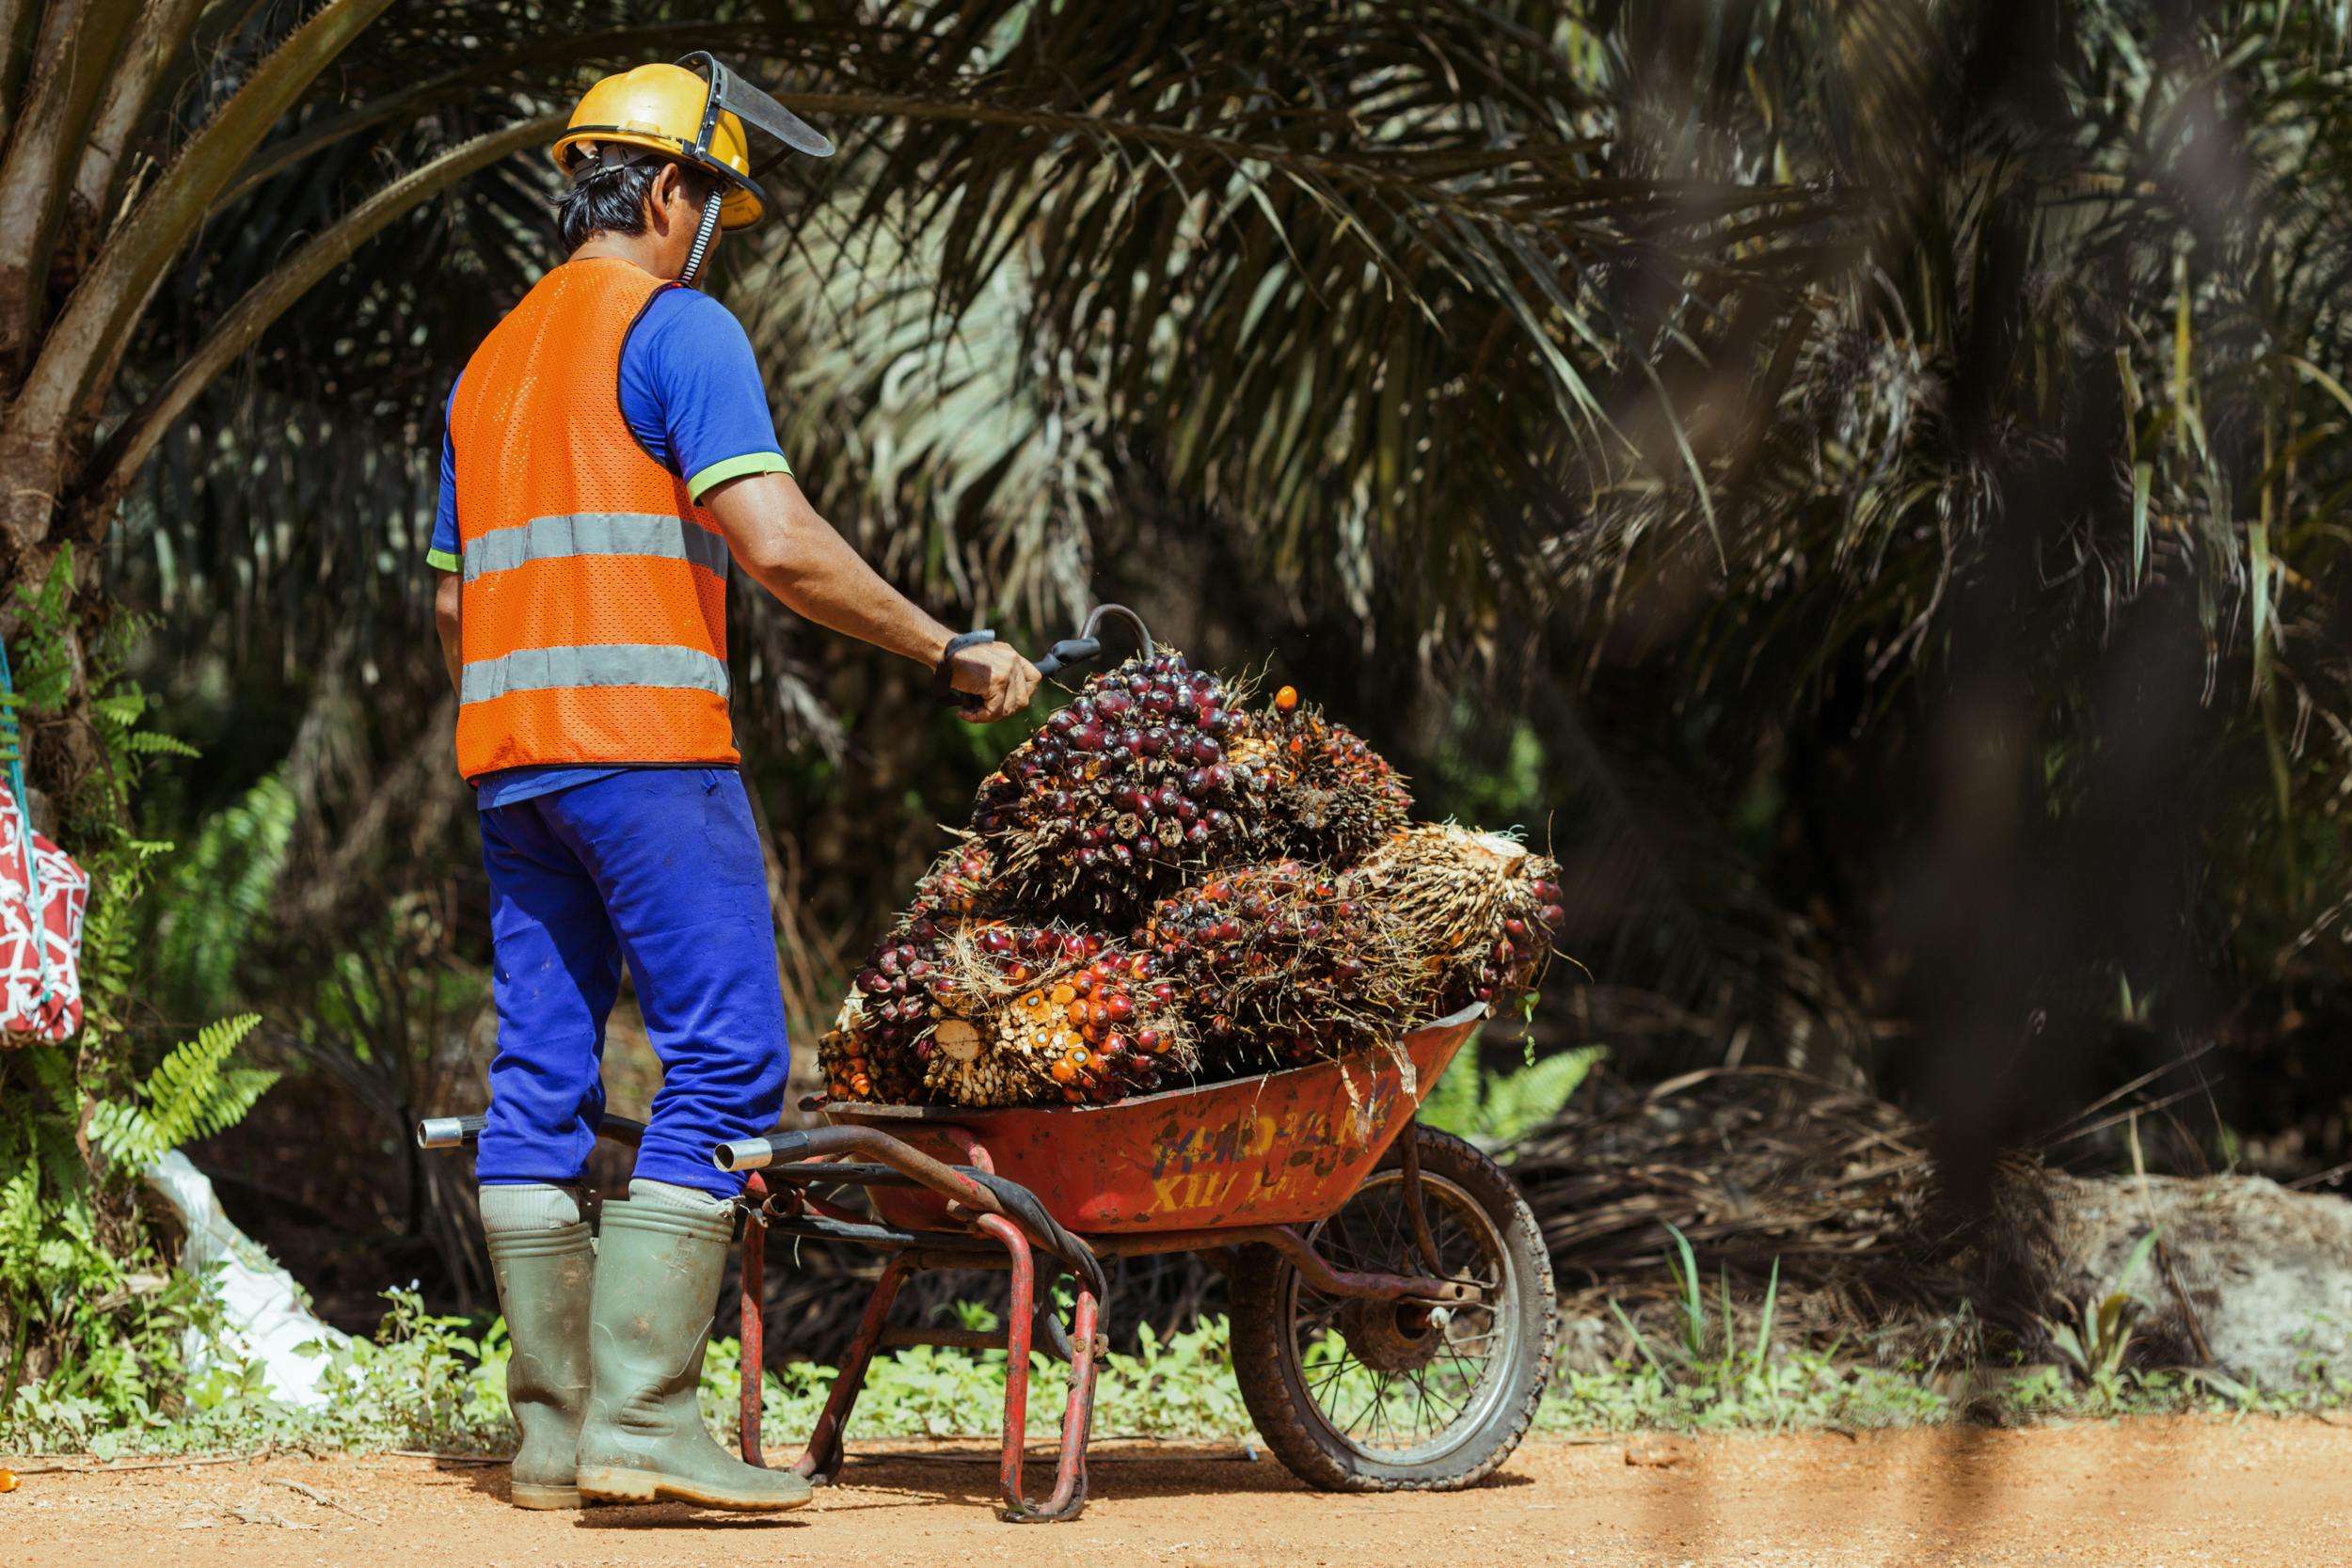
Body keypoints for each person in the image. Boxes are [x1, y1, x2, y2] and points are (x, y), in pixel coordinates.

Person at [427, 57, 1039, 1513]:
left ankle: (554, 1438)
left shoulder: (489, 364)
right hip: (648, 755)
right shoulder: (676, 326)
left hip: (514, 773)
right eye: (713, 201)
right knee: (726, 1061)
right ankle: (647, 1420)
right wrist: (942, 640)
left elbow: (455, 614)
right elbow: (777, 541)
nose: (716, 233)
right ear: (662, 190)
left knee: (541, 1082)